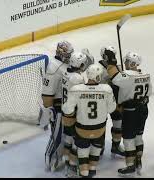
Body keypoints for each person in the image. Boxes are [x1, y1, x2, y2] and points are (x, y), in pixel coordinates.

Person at [103, 49, 152, 177]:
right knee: (139, 136)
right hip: (143, 109)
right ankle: (138, 161)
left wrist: (111, 61)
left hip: (131, 111)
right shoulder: (145, 74)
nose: (124, 63)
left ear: (131, 63)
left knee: (129, 139)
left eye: (126, 61)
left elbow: (114, 77)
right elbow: (149, 92)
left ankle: (130, 166)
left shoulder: (127, 75)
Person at [62, 63, 116, 178]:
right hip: (99, 129)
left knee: (82, 150)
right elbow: (112, 109)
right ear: (98, 77)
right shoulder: (107, 89)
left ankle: (83, 171)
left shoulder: (77, 89)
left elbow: (67, 110)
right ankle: (92, 169)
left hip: (82, 129)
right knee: (95, 149)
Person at [41, 40, 74, 171]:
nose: (70, 57)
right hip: (58, 107)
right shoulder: (53, 68)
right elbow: (47, 94)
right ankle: (50, 159)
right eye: (68, 54)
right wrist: (50, 112)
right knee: (57, 135)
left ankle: (60, 157)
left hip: (66, 106)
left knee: (65, 135)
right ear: (62, 54)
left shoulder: (62, 65)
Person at [61, 52, 88, 177]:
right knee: (76, 140)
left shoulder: (65, 72)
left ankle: (65, 161)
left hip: (65, 111)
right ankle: (71, 166)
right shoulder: (77, 78)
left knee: (68, 137)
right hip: (73, 112)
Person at [98, 46, 125, 158]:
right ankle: (99, 146)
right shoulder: (97, 69)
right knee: (100, 125)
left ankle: (116, 145)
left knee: (118, 124)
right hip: (102, 103)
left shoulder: (117, 68)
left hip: (116, 102)